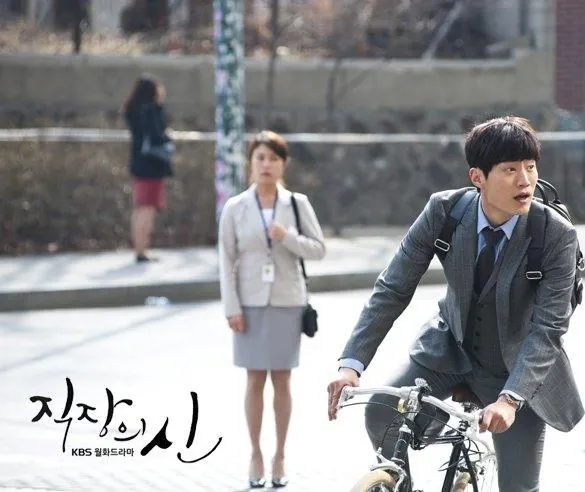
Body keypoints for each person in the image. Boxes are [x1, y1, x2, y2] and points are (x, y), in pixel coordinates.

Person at [327, 116, 583, 491]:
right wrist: (351, 364)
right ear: (477, 177)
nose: (525, 180)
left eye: (530, 167)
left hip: (515, 369)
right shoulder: (444, 212)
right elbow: (393, 288)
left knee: (519, 487)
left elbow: (548, 329)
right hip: (448, 349)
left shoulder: (555, 234)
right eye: (510, 169)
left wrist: (510, 401)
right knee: (382, 414)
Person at [218, 130, 326, 489]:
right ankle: (255, 454)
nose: (266, 164)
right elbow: (226, 261)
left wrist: (287, 237)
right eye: (260, 158)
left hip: (287, 301)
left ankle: (280, 454)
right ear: (251, 162)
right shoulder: (235, 207)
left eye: (273, 158)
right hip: (248, 303)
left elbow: (318, 249)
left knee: (282, 378)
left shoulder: (297, 203)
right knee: (253, 379)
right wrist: (231, 308)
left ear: (283, 164)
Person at [122, 74, 173, 263]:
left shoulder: (132, 111)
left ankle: (139, 248)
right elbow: (156, 135)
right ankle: (142, 250)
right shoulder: (150, 110)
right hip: (151, 165)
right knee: (147, 208)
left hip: (138, 164)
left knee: (140, 207)